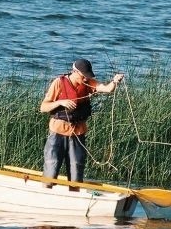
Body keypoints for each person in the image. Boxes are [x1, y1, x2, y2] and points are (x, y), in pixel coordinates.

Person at [39, 58, 124, 189]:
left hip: (78, 134)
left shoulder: (88, 83)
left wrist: (114, 81)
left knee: (76, 174)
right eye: (83, 76)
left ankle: (74, 199)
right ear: (75, 71)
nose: (85, 79)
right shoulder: (59, 83)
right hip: (57, 132)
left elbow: (107, 89)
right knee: (51, 169)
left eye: (87, 76)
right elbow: (43, 107)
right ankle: (46, 194)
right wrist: (61, 102)